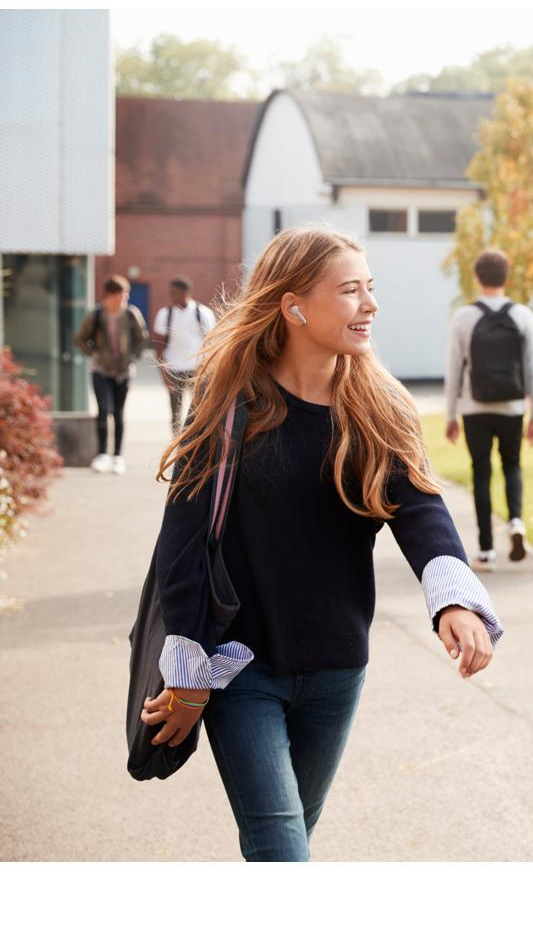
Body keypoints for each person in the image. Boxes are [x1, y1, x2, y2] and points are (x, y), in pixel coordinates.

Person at [139, 224, 503, 862]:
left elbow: (419, 508)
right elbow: (182, 550)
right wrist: (191, 675)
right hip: (240, 670)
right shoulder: (228, 407)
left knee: (287, 843)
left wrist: (454, 601)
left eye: (371, 289)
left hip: (337, 669)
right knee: (282, 851)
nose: (371, 304)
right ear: (295, 305)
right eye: (351, 291)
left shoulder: (376, 406)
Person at [443, 249, 533, 570]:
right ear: (506, 277)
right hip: (513, 407)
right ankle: (515, 521)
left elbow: (454, 370)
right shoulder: (523, 315)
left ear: (477, 277)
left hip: (475, 408)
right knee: (512, 466)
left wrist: (450, 414)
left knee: (481, 473)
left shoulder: (463, 317)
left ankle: (486, 550)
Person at [75, 274, 149, 474]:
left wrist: (133, 357)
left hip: (124, 371)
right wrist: (95, 354)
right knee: (103, 409)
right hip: (100, 370)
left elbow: (142, 338)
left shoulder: (131, 314)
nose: (123, 299)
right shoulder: (97, 315)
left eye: (125, 295)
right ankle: (101, 455)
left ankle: (117, 456)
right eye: (119, 295)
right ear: (108, 295)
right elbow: (81, 338)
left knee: (118, 412)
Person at [152, 276, 216, 436]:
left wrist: (210, 371)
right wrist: (164, 374)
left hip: (198, 370)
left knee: (200, 409)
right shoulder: (165, 314)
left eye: (175, 293)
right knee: (175, 411)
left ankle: (197, 441)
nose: (172, 296)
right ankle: (177, 444)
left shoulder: (203, 313)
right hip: (174, 369)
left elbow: (213, 344)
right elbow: (158, 347)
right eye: (170, 293)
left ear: (186, 292)